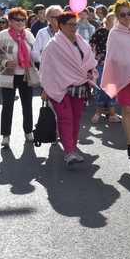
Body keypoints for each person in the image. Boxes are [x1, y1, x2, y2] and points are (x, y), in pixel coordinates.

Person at [40, 11, 98, 166]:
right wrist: (46, 88)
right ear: (61, 26)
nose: (74, 27)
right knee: (66, 118)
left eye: (76, 24)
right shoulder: (53, 45)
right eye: (71, 24)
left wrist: (90, 72)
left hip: (79, 87)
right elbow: (46, 69)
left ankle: (71, 146)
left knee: (76, 118)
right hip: (60, 87)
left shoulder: (81, 42)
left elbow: (90, 61)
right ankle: (69, 152)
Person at [0, 7, 40, 148]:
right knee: (7, 106)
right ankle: (6, 136)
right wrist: (6, 62)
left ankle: (28, 131)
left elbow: (36, 53)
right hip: (8, 76)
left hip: (26, 74)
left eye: (23, 19)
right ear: (10, 21)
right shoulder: (2, 35)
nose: (20, 22)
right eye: (16, 19)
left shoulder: (29, 35)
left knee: (27, 105)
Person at [101, 0, 130, 159]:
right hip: (124, 77)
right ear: (117, 16)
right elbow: (111, 56)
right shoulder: (114, 33)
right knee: (127, 109)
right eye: (122, 15)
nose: (126, 17)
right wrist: (123, 62)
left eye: (129, 13)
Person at [89, 13, 121, 124]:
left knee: (111, 90)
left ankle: (112, 114)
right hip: (101, 64)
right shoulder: (100, 31)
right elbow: (91, 45)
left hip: (113, 65)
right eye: (112, 20)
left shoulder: (118, 33)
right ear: (106, 21)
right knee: (100, 89)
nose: (115, 23)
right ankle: (98, 112)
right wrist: (94, 57)